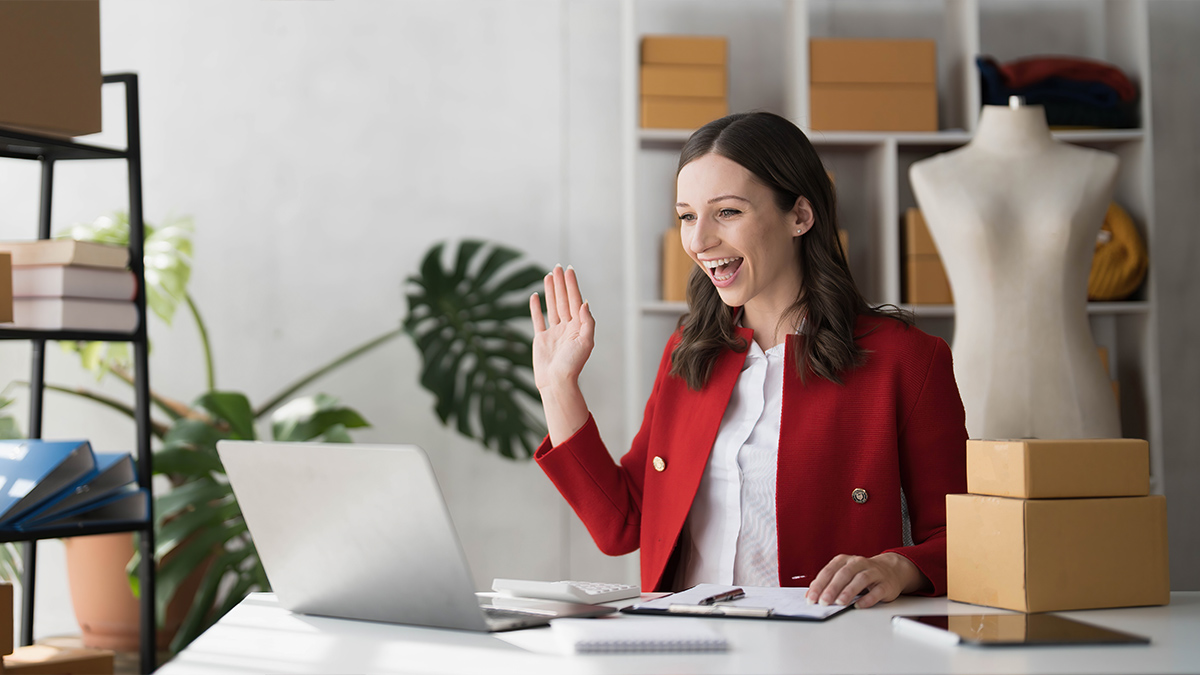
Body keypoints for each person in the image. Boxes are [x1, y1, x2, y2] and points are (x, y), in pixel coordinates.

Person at [529, 111, 967, 609]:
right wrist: (559, 387)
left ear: (800, 215)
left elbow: (965, 538)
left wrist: (897, 566)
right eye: (688, 216)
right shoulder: (688, 353)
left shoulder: (905, 359)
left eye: (728, 212)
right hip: (687, 650)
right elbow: (623, 524)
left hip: (830, 651)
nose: (697, 241)